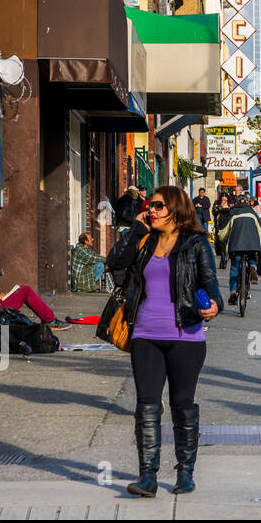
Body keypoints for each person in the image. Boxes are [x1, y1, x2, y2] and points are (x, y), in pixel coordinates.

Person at [106, 185, 220, 497]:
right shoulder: (144, 239)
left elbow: (209, 279)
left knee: (182, 404)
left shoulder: (195, 243)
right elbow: (115, 263)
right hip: (145, 335)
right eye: (149, 206)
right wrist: (136, 228)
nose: (151, 210)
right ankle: (147, 476)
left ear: (176, 209)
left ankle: (185, 472)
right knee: (146, 404)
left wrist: (215, 304)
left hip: (186, 335)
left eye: (158, 206)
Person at [218, 194, 261, 307]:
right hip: (252, 245)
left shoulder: (233, 214)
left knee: (235, 267)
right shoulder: (253, 214)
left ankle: (233, 292)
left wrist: (221, 239)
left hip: (236, 246)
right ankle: (253, 267)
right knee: (252, 257)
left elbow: (223, 233)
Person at [0, 284, 72, 330]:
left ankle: (50, 320)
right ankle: (50, 320)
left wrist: (0, 298)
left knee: (23, 290)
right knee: (26, 290)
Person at [212, 194, 232, 269]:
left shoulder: (231, 205)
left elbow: (233, 213)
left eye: (225, 199)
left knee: (226, 244)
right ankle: (223, 258)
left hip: (228, 225)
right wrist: (220, 207)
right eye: (223, 199)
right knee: (220, 244)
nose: (224, 200)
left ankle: (224, 259)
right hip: (219, 225)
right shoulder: (217, 204)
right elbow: (214, 212)